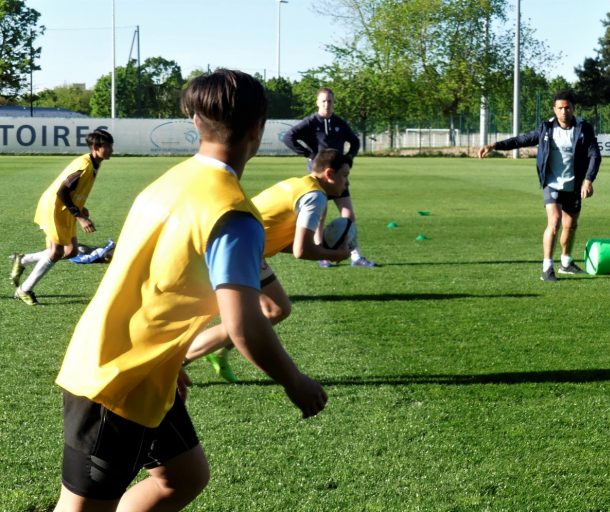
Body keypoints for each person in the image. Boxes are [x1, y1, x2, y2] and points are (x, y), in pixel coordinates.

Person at [52, 69, 327, 511]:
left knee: (182, 477)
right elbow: (244, 325)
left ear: (196, 122)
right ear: (259, 129)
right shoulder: (233, 214)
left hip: (144, 368)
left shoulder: (173, 180)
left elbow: (150, 277)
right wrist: (295, 382)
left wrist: (169, 358)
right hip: (116, 380)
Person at [184, 147, 353, 382]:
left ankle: (216, 351)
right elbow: (301, 250)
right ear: (329, 173)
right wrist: (337, 255)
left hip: (239, 243)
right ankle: (180, 359)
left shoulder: (299, 184)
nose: (346, 183)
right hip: (238, 247)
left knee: (274, 310)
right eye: (345, 176)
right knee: (268, 312)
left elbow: (283, 239)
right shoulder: (315, 197)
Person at [478, 90, 602, 282]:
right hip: (551, 183)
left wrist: (588, 179)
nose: (563, 111)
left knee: (570, 225)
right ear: (554, 109)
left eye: (567, 107)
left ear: (573, 108)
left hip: (574, 184)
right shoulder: (546, 128)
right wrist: (494, 145)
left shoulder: (584, 128)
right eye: (560, 108)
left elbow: (595, 154)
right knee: (554, 222)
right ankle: (547, 268)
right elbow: (521, 140)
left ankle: (566, 263)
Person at [9, 129, 114, 305]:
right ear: (96, 147)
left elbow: (73, 190)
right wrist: (80, 216)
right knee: (56, 251)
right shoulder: (85, 165)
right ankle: (24, 289)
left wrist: (81, 207)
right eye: (108, 146)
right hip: (55, 207)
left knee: (70, 251)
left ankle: (24, 259)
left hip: (66, 208)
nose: (111, 150)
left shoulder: (94, 163)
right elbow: (62, 191)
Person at [283, 86, 377, 268]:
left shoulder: (339, 123)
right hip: (319, 175)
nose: (327, 104)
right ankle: (322, 254)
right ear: (318, 102)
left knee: (348, 212)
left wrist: (348, 159)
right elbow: (289, 137)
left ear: (334, 103)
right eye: (324, 101)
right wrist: (309, 154)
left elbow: (355, 142)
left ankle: (355, 255)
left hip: (337, 175)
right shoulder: (311, 122)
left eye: (330, 101)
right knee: (320, 214)